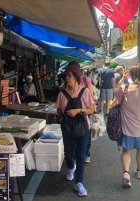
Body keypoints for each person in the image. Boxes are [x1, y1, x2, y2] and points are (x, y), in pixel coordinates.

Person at [56, 62, 94, 196]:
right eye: (66, 76)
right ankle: (71, 167)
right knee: (68, 151)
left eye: (70, 76)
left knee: (81, 154)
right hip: (67, 129)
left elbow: (92, 109)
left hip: (83, 128)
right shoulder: (62, 94)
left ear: (77, 77)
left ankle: (79, 182)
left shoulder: (85, 92)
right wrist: (66, 121)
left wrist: (78, 110)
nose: (67, 78)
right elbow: (59, 110)